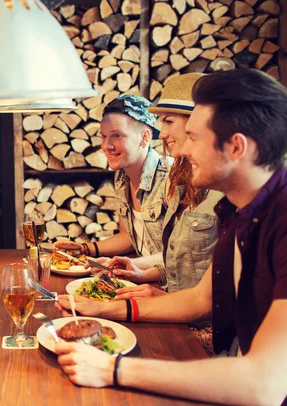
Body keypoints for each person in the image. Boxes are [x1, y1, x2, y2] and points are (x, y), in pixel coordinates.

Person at [54, 69, 287, 405]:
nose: (180, 149)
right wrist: (104, 309)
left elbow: (264, 384)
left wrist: (113, 369)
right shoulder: (239, 212)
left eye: (193, 138)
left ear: (236, 147)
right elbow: (199, 300)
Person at [99, 74, 224, 305]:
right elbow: (180, 263)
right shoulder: (179, 177)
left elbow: (205, 296)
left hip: (194, 320)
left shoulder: (223, 191)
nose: (162, 134)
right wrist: (141, 273)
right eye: (104, 137)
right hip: (174, 302)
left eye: (168, 122)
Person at [55, 95, 169, 264]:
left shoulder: (170, 178)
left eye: (117, 136)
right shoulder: (122, 177)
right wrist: (86, 249)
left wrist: (124, 265)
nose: (106, 146)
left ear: (144, 138)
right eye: (103, 136)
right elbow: (128, 237)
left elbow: (179, 256)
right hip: (143, 277)